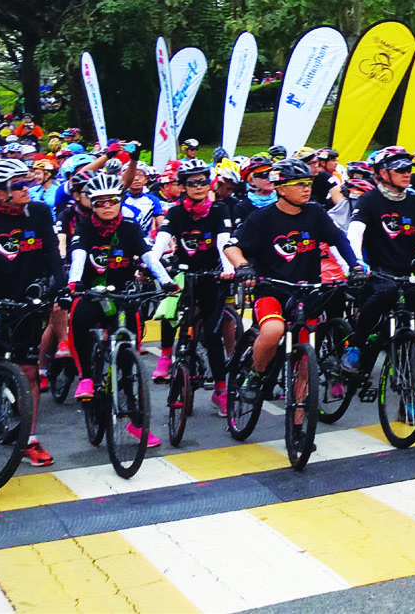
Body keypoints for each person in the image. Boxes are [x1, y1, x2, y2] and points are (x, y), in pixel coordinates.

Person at [223, 159, 365, 391]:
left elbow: (339, 239)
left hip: (308, 292)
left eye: (308, 183)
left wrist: (355, 267)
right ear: (280, 189)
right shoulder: (262, 218)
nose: (306, 188)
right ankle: (255, 374)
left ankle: (300, 410)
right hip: (271, 291)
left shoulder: (315, 212)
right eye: (299, 184)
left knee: (308, 355)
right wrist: (243, 266)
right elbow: (231, 246)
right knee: (273, 331)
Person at [67, 172, 174, 447]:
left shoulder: (129, 226)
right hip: (92, 293)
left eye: (112, 201)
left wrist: (165, 281)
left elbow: (148, 255)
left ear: (120, 201)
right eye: (100, 202)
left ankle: (134, 421)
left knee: (129, 360)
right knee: (79, 315)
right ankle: (86, 377)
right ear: (92, 205)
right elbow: (78, 255)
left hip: (123, 295)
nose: (107, 206)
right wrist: (74, 281)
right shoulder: (84, 227)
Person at [344, 147, 415, 374]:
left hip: (409, 268)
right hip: (378, 270)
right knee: (384, 294)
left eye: (409, 168)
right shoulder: (368, 201)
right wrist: (357, 263)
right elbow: (354, 233)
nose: (407, 173)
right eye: (400, 169)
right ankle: (356, 345)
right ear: (382, 173)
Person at [144, 159, 236, 415]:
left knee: (212, 335)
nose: (198, 186)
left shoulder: (219, 209)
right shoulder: (175, 213)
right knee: (170, 308)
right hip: (184, 273)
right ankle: (165, 356)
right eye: (192, 183)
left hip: (213, 275)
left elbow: (223, 242)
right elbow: (160, 244)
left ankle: (220, 391)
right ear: (182, 187)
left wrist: (228, 270)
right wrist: (154, 267)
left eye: (203, 181)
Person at [0, 158, 64, 466]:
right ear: (0, 193)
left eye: (28, 181)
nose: (27, 188)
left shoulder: (39, 211)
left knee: (29, 372)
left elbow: (51, 251)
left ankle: (29, 439)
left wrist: (61, 286)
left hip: (28, 301)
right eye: (19, 184)